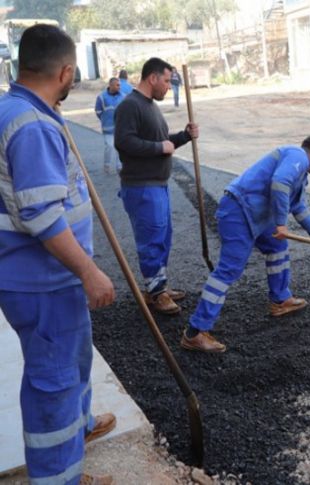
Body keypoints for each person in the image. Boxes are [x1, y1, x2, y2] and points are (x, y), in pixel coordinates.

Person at [0, 24, 116, 485]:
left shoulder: (25, 109)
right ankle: (58, 476)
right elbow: (43, 217)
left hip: (49, 279)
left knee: (74, 365)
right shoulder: (31, 126)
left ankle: (79, 428)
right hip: (42, 279)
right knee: (54, 383)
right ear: (67, 71)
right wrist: (90, 272)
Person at [183, 134, 310, 353]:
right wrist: (281, 224)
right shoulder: (297, 156)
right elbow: (280, 182)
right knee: (228, 271)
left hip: (256, 216)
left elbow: (299, 209)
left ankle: (280, 300)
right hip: (238, 211)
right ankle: (194, 332)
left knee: (278, 248)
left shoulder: (300, 175)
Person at [114, 57, 199, 314]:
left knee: (162, 237)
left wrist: (184, 136)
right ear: (152, 78)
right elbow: (124, 142)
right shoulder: (130, 105)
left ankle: (158, 286)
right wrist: (159, 147)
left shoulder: (150, 106)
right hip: (141, 186)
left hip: (157, 184)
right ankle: (156, 292)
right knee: (151, 239)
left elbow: (164, 142)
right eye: (166, 80)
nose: (168, 86)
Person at [94, 77, 123, 174]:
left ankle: (119, 166)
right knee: (110, 146)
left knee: (120, 147)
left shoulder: (123, 96)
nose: (119, 87)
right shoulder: (101, 97)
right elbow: (98, 111)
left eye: (119, 85)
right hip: (108, 128)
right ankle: (107, 165)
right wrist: (104, 120)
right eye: (117, 85)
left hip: (120, 128)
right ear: (111, 85)